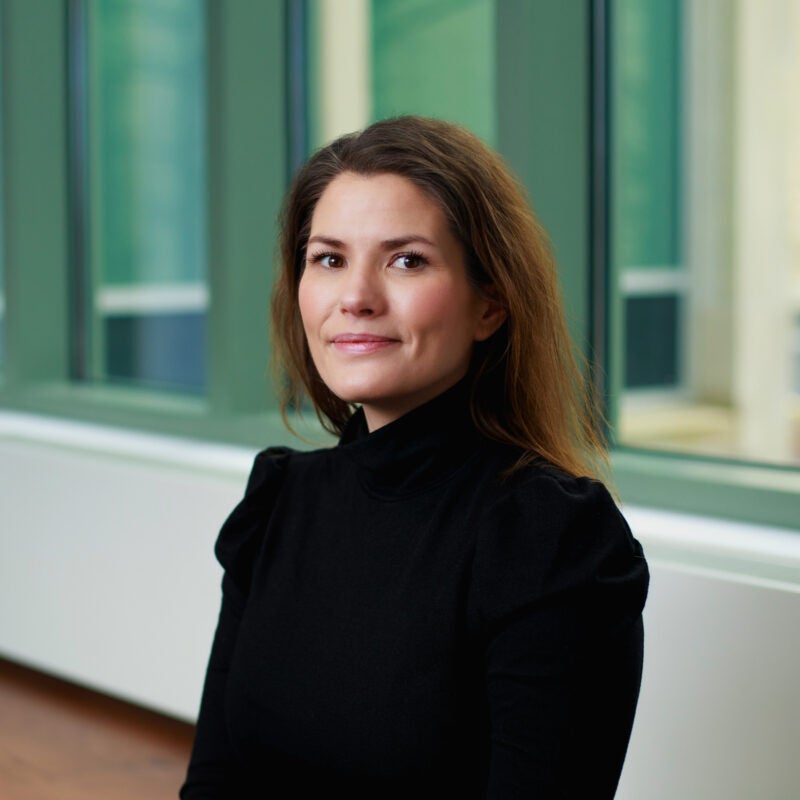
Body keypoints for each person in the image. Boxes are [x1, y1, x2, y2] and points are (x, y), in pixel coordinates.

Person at [180, 116, 649, 799]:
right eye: (329, 258)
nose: (356, 298)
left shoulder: (551, 539)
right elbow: (215, 785)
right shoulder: (277, 503)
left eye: (406, 260)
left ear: (490, 304)